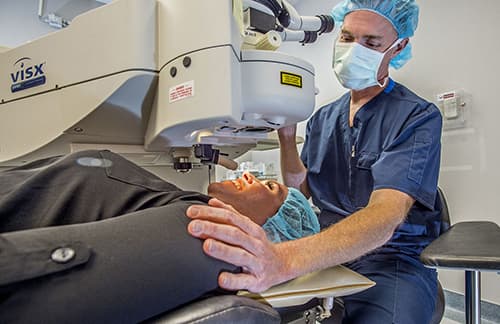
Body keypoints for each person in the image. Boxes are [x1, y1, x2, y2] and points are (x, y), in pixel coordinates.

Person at [186, 1, 443, 323]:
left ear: (398, 47)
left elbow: (385, 216)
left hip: (392, 257)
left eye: (371, 43)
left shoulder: (416, 116)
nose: (353, 50)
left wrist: (284, 259)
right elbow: (302, 189)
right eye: (347, 38)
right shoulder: (324, 116)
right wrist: (286, 137)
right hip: (326, 246)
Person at [0, 149, 319, 323]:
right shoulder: (174, 210)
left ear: (266, 232)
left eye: (269, 187)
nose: (250, 175)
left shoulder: (205, 237)